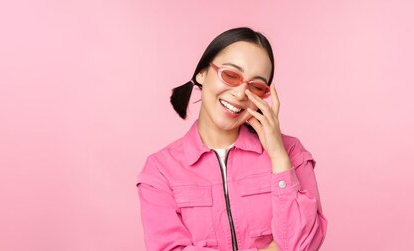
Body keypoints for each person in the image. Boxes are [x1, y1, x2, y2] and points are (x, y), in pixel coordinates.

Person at [135, 27, 328, 251]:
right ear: (202, 73)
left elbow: (306, 242)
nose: (239, 94)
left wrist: (278, 156)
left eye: (255, 86)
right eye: (230, 75)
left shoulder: (291, 152)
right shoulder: (159, 170)